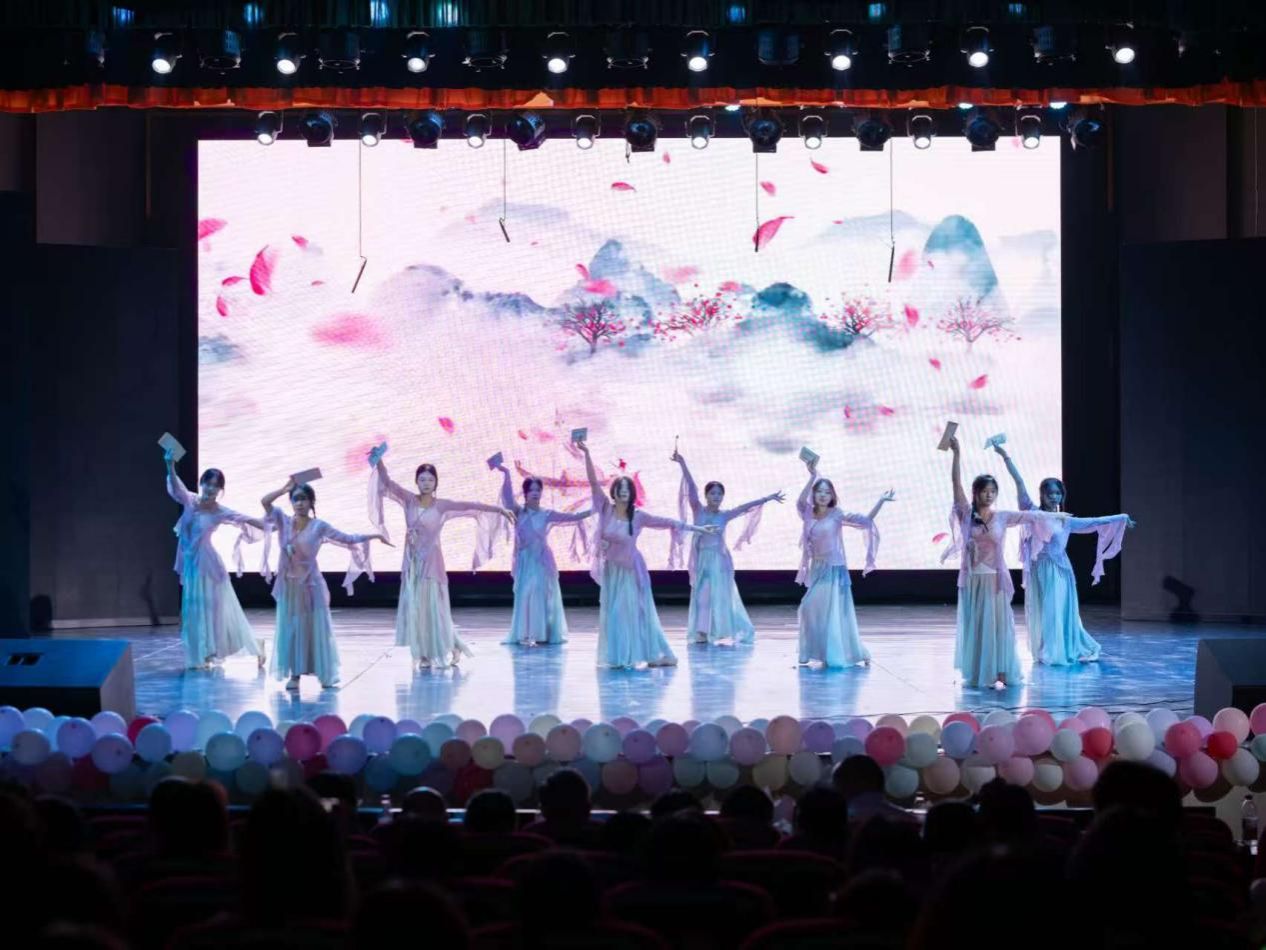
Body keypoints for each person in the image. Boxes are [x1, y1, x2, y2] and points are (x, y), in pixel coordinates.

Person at [368, 451, 513, 670]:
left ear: (436, 482)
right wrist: (379, 460)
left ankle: (438, 650)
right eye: (422, 479)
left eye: (430, 479)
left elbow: (471, 505)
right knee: (417, 610)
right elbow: (387, 483)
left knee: (432, 610)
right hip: (412, 563)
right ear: (416, 482)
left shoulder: (442, 505)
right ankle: (429, 652)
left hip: (432, 563)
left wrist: (499, 509)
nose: (426, 483)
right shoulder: (408, 500)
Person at [993, 442, 1134, 665]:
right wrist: (1004, 455)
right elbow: (1019, 482)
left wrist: (1121, 518)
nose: (1054, 497)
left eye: (1058, 493)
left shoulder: (1066, 520)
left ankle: (1058, 650)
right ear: (1042, 495)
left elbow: (1094, 522)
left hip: (1059, 571)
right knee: (1043, 612)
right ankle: (1048, 648)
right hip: (1038, 570)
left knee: (1056, 611)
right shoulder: (1032, 512)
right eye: (1050, 493)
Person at [580, 440, 716, 669]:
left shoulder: (639, 516)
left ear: (632, 493)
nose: (623, 492)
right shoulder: (605, 508)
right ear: (614, 492)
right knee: (615, 615)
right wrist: (586, 453)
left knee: (633, 613)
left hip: (631, 571)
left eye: (627, 489)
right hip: (613, 572)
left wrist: (699, 528)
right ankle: (619, 656)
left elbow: (669, 522)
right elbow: (593, 482)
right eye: (620, 488)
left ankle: (648, 654)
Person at [943, 436, 1066, 689]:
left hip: (995, 580)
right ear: (976, 493)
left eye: (993, 492)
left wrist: (1061, 515)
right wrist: (957, 454)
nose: (989, 495)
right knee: (977, 627)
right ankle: (980, 671)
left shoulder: (1002, 517)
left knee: (999, 627)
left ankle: (1000, 671)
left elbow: (1032, 516)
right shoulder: (965, 514)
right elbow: (955, 483)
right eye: (984, 491)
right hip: (973, 580)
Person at [261, 478, 387, 690]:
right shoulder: (284, 521)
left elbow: (347, 538)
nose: (299, 503)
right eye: (295, 499)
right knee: (292, 629)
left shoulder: (319, 526)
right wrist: (283, 489)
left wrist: (373, 535)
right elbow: (265, 502)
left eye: (304, 499)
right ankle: (295, 675)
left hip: (311, 584)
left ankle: (324, 673)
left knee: (315, 628)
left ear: (311, 502)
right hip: (290, 587)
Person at [164, 449, 266, 670]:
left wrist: (276, 523)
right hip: (192, 564)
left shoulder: (220, 511)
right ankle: (205, 652)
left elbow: (247, 520)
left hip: (208, 566)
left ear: (220, 490)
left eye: (216, 486)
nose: (211, 489)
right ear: (201, 484)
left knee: (212, 613)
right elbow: (177, 488)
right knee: (195, 611)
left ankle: (252, 647)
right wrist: (170, 465)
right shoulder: (190, 500)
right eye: (208, 484)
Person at [670, 449, 784, 645]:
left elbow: (746, 507)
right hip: (702, 560)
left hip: (719, 561)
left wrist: (767, 498)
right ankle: (702, 632)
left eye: (719, 494)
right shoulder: (698, 510)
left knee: (720, 597)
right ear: (706, 495)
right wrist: (682, 463)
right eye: (712, 493)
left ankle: (719, 631)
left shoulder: (725, 515)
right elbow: (691, 486)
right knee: (702, 596)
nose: (716, 496)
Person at [795, 454, 893, 668]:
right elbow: (800, 502)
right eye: (819, 491)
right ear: (814, 494)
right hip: (817, 567)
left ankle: (841, 653)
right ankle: (815, 652)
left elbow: (865, 521)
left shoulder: (837, 514)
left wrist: (880, 501)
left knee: (818, 609)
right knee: (814, 610)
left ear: (832, 496)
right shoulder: (808, 513)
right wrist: (812, 476)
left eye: (827, 492)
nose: (823, 495)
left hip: (834, 569)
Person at [494, 462, 590, 646]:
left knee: (538, 593)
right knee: (525, 595)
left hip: (541, 561)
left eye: (538, 490)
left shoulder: (547, 514)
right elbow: (507, 498)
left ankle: (540, 634)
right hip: (524, 562)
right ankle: (525, 634)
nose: (535, 493)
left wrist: (594, 509)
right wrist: (506, 474)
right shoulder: (518, 512)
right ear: (525, 493)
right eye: (531, 490)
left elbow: (573, 517)